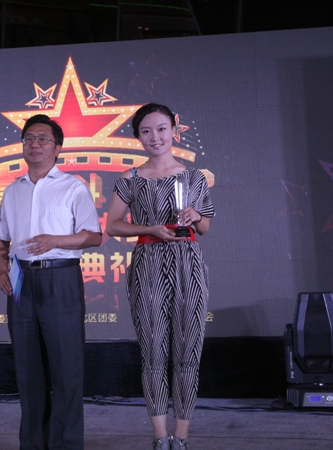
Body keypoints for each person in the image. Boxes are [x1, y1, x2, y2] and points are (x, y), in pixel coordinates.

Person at [106, 103, 214, 450]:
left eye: (162, 129)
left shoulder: (195, 177)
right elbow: (113, 225)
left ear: (174, 131)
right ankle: (159, 437)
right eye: (146, 131)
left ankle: (180, 438)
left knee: (188, 352)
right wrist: (150, 228)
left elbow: (205, 227)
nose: (155, 137)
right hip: (148, 264)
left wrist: (196, 215)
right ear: (138, 137)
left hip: (188, 265)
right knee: (153, 353)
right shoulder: (131, 178)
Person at [0, 114, 102, 450]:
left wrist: (56, 241)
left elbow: (94, 236)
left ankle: (66, 444)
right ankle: (33, 444)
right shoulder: (12, 190)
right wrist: (1, 270)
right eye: (29, 138)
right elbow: (0, 240)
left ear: (57, 148)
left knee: (66, 371)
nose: (34, 144)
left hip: (60, 279)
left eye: (42, 139)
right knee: (27, 372)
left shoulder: (73, 187)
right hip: (21, 281)